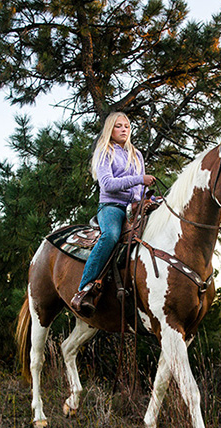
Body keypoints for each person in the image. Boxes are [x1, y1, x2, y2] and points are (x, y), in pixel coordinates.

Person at [71, 112, 156, 315]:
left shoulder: (136, 154)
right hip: (113, 206)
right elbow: (107, 184)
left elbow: (140, 188)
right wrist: (139, 179)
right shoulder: (105, 151)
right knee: (110, 235)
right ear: (110, 129)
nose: (124, 129)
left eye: (127, 126)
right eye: (118, 126)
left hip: (135, 208)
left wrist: (148, 199)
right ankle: (85, 288)